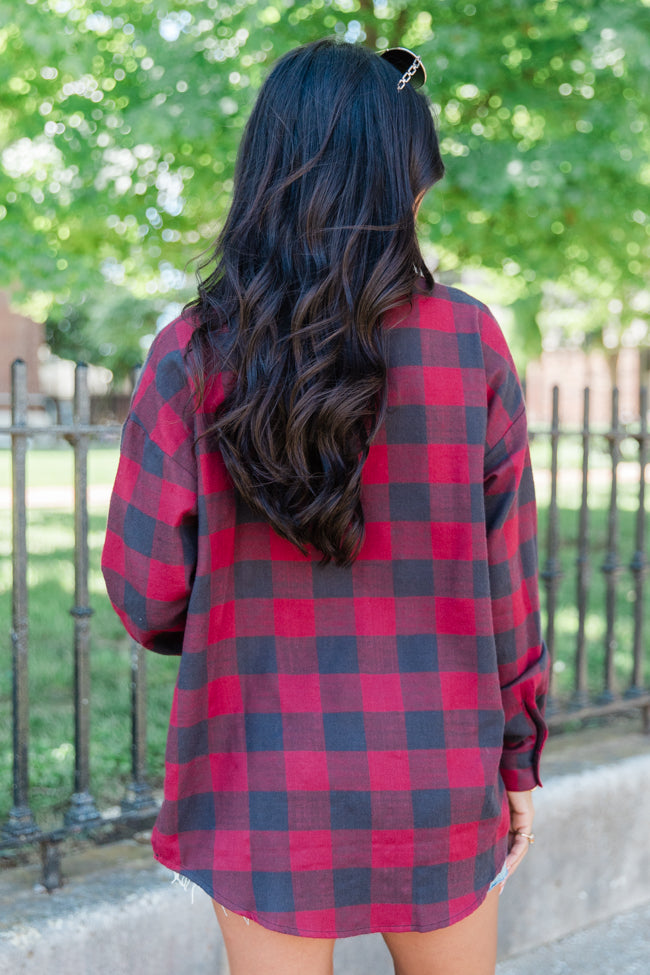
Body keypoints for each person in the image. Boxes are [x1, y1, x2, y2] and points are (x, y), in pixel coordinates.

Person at [102, 38, 549, 975]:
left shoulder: (192, 353)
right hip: (435, 768)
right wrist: (519, 761)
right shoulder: (470, 344)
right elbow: (511, 594)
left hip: (264, 774)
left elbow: (145, 593)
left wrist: (238, 607)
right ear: (400, 185)